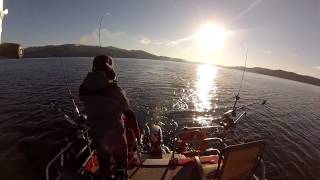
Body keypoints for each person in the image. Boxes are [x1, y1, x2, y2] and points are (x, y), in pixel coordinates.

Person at [79, 55, 129, 179]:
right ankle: (121, 174)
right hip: (115, 133)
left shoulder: (83, 88)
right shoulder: (113, 88)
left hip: (96, 133)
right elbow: (125, 106)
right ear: (109, 67)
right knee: (121, 161)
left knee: (103, 162)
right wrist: (113, 83)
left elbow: (90, 102)